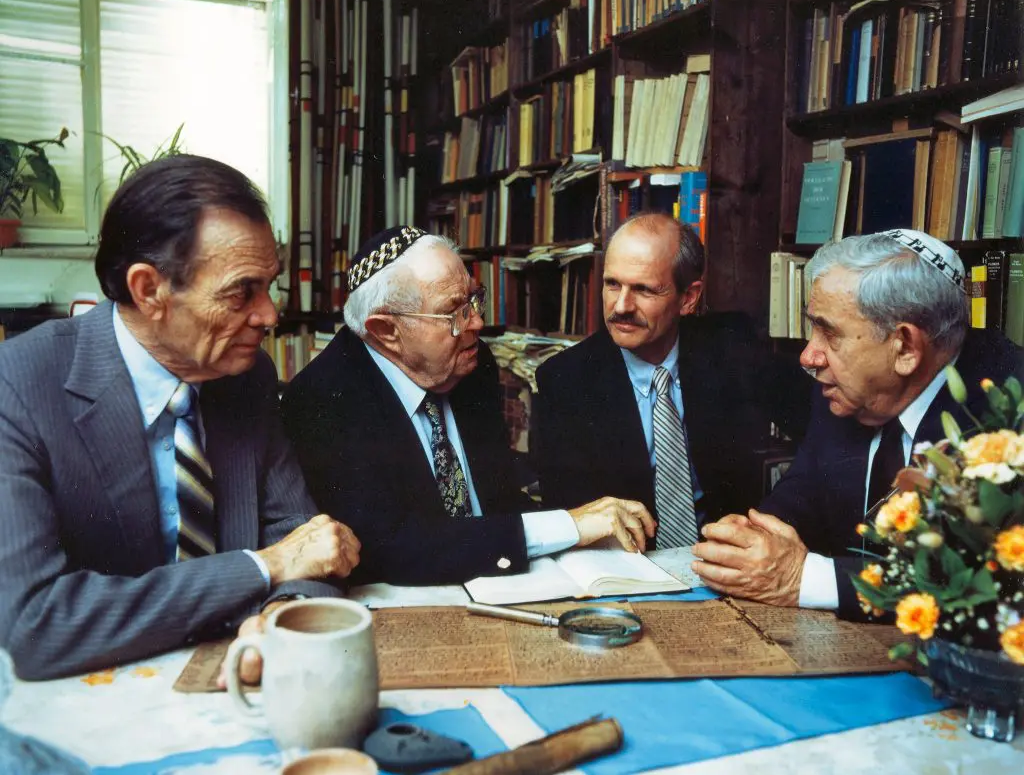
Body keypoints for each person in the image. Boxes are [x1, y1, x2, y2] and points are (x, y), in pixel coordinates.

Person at [0, 155, 361, 681]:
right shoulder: (19, 384)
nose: (269, 315)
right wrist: (264, 567)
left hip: (232, 676)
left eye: (269, 285)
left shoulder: (246, 375)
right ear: (150, 290)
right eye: (242, 291)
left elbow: (302, 539)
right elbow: (37, 624)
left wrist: (281, 618)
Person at [282, 225, 656, 585]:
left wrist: (582, 526)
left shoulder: (472, 364)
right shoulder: (322, 401)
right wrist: (568, 525)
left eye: (474, 298)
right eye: (455, 312)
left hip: (499, 583)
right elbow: (389, 545)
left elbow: (496, 497)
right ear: (386, 331)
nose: (477, 321)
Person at [692, 229, 1024, 617]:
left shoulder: (1007, 414)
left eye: (829, 334)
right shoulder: (846, 392)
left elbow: (983, 580)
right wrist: (750, 542)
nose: (808, 356)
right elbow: (802, 496)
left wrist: (806, 579)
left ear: (904, 348)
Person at [532, 213, 810, 549]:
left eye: (644, 290)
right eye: (612, 284)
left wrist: (773, 516)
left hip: (726, 562)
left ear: (689, 298)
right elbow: (566, 511)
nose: (620, 306)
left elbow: (823, 430)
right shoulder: (565, 380)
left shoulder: (732, 351)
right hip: (624, 568)